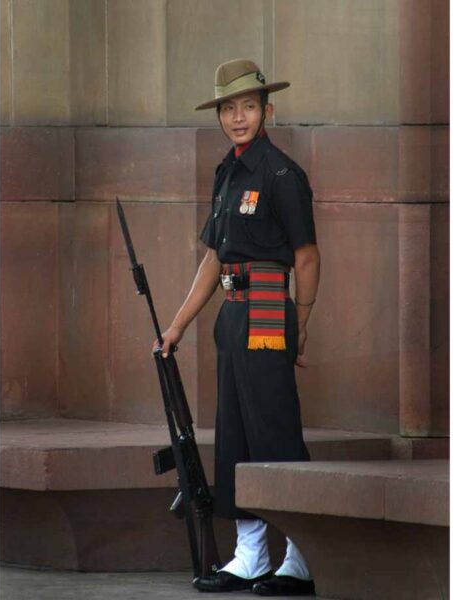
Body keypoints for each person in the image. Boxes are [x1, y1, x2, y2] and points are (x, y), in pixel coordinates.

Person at [157, 59, 320, 597]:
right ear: (220, 116)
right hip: (231, 312)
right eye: (229, 108)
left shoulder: (282, 175)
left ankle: (300, 555)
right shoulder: (227, 173)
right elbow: (212, 259)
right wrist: (177, 326)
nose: (238, 116)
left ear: (266, 110)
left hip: (272, 307)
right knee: (235, 433)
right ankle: (250, 553)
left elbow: (307, 256)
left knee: (274, 428)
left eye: (248, 106)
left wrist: (301, 324)